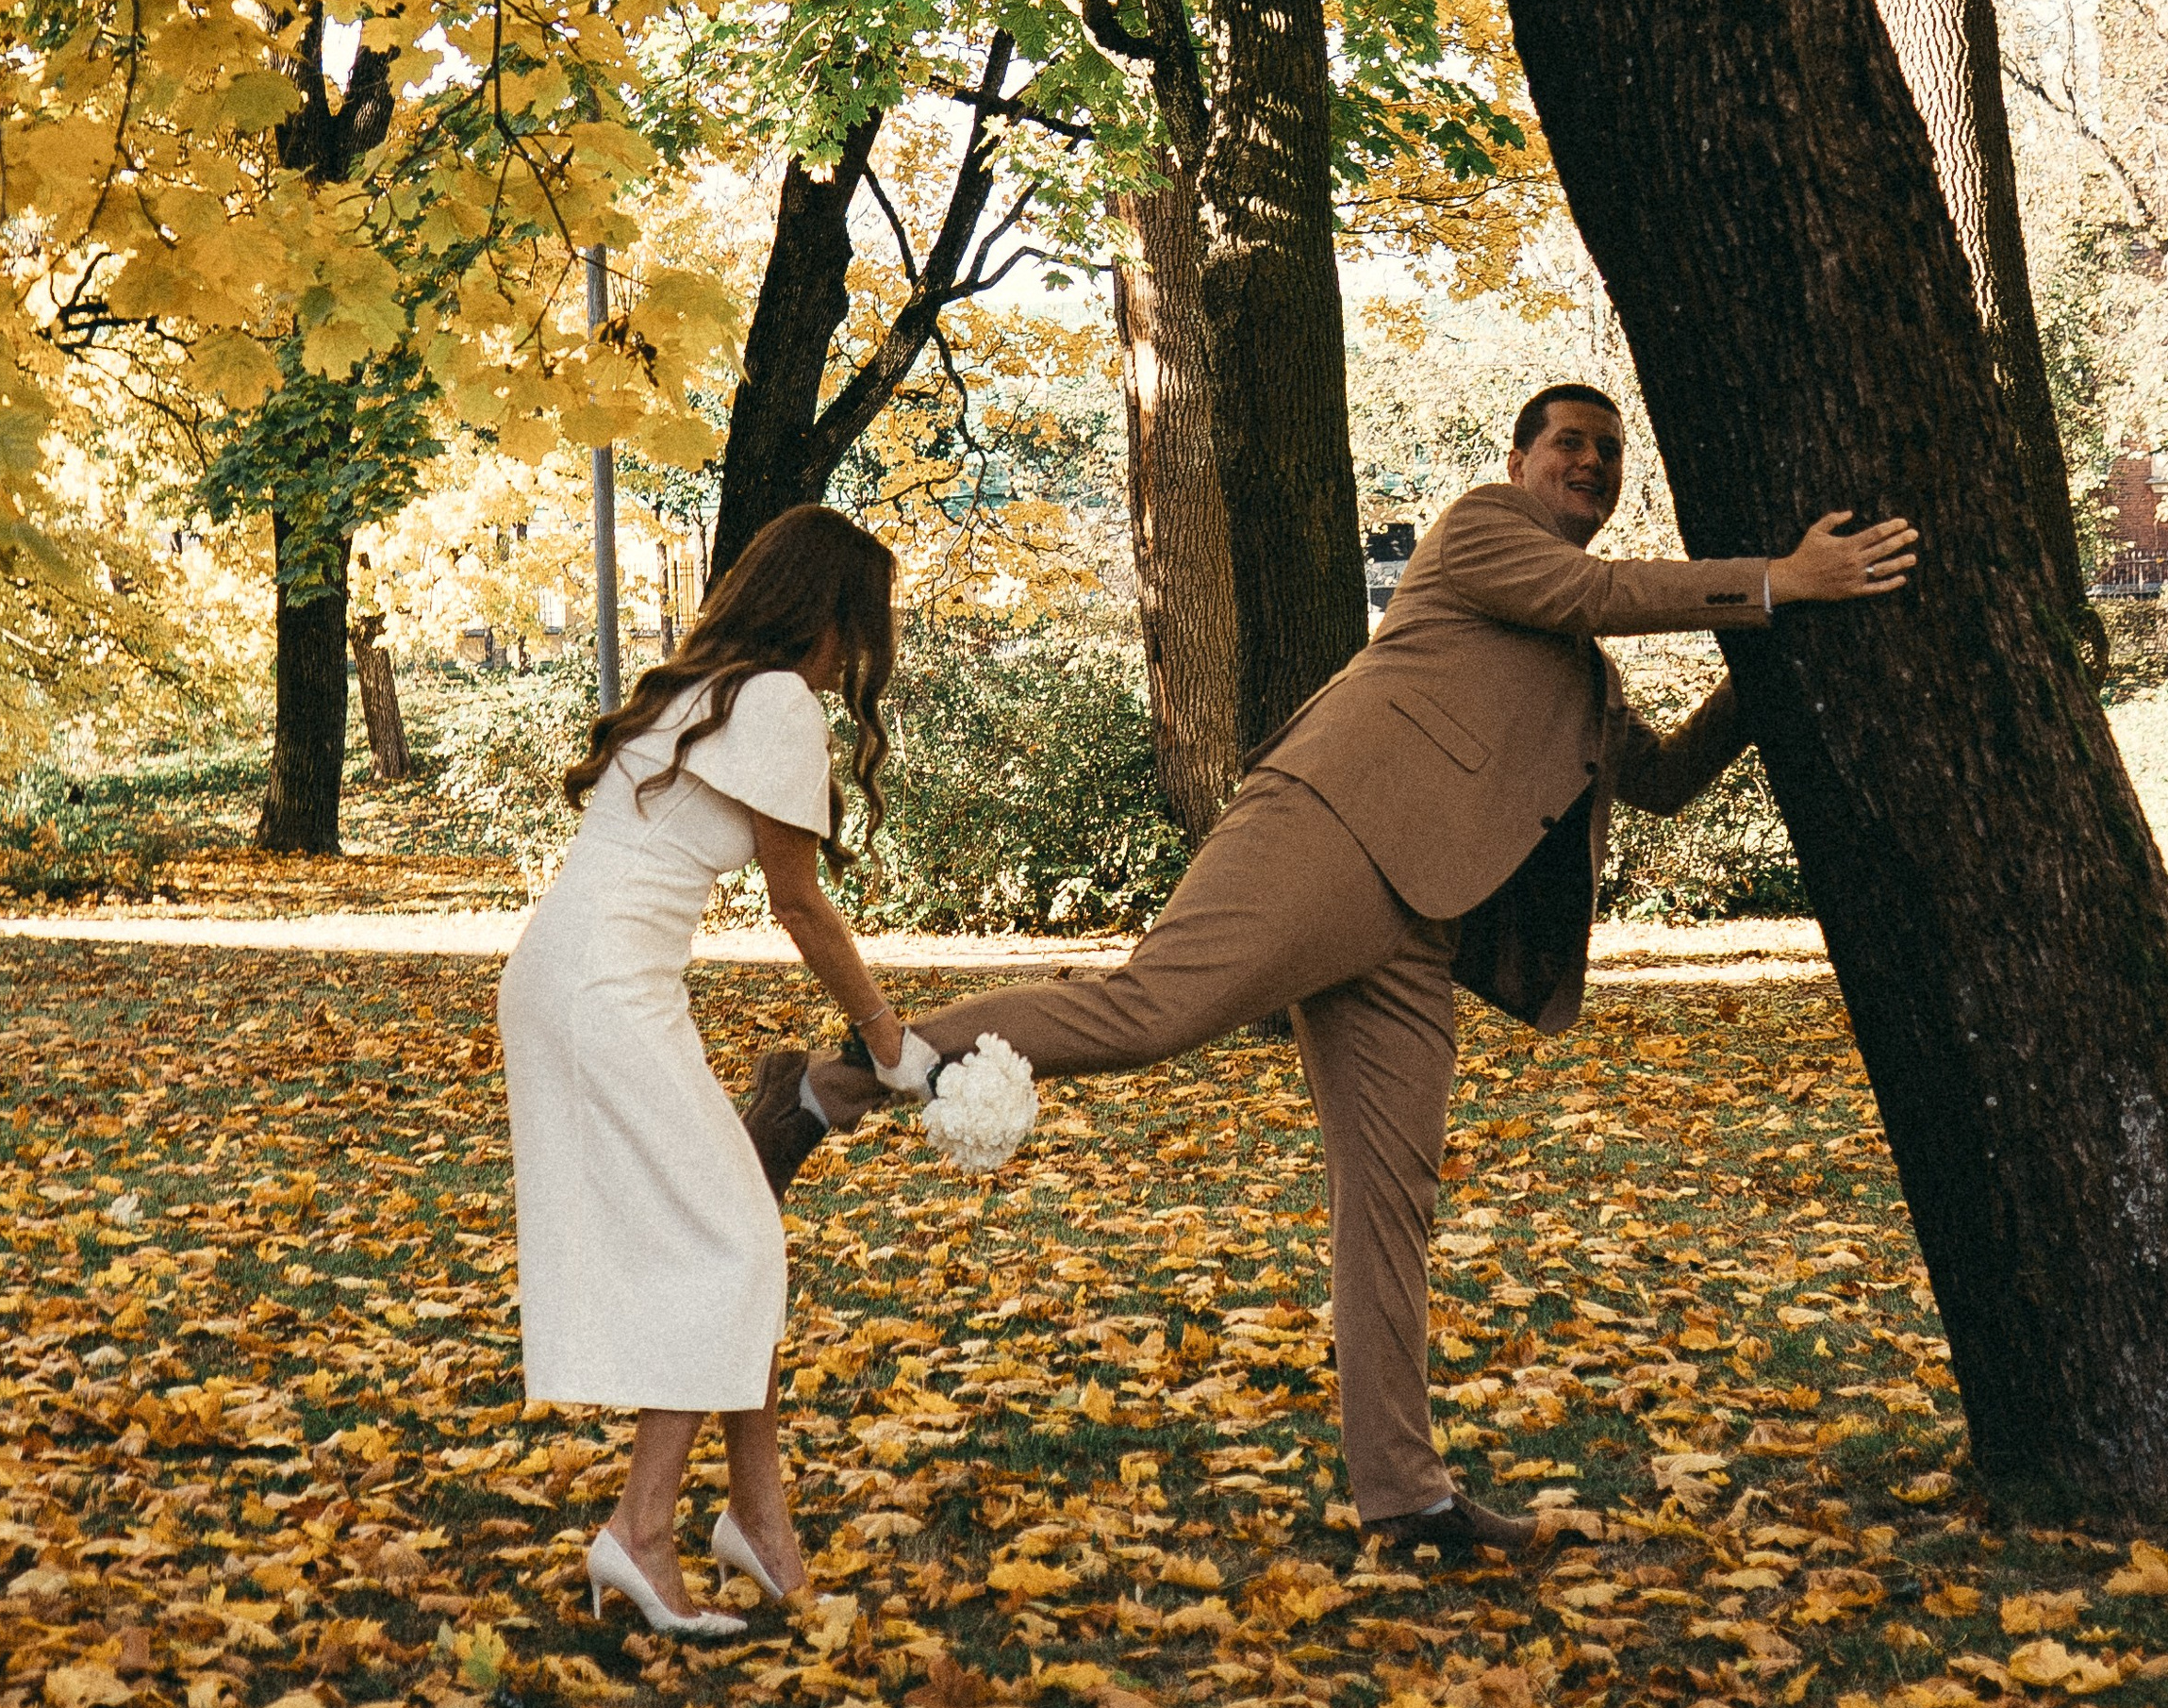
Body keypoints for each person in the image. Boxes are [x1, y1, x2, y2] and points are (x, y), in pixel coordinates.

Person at [779, 389, 1917, 1567]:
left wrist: (1780, 649)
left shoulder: (1583, 676)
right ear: (1519, 460)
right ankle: (829, 1086)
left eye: (1609, 451)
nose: (1590, 461)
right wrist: (1781, 577)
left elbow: (1665, 777)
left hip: (1420, 933)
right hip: (1325, 832)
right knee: (1148, 1010)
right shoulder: (1481, 532)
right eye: (1567, 444)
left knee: (1390, 1201)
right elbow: (1595, 591)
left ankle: (1405, 1499)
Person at [498, 504, 908, 1638]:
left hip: (580, 978)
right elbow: (797, 901)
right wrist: (886, 1036)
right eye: (857, 629)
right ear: (820, 614)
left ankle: (759, 1527)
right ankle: (641, 1531)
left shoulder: (704, 690)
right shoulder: (771, 701)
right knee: (732, 1243)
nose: (852, 660)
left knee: (732, 1239)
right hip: (604, 994)